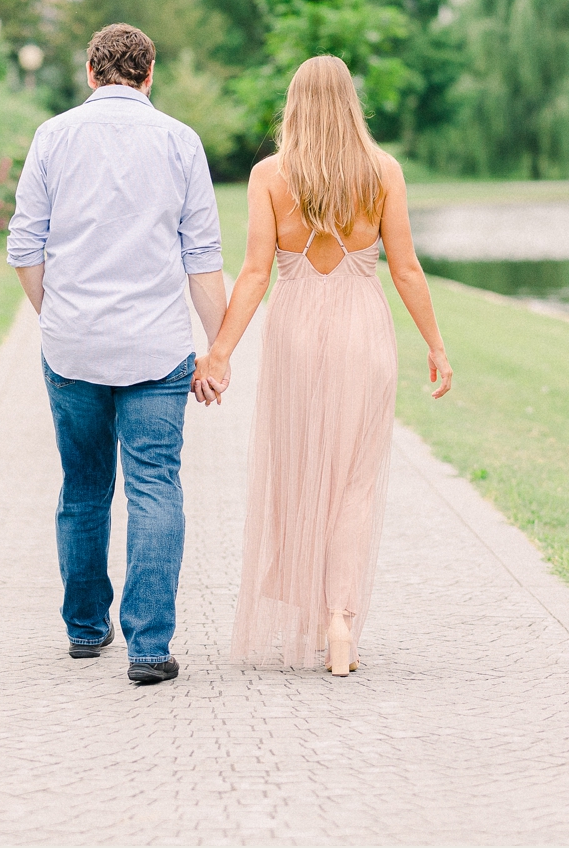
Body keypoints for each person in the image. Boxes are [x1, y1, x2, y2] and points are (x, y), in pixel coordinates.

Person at [192, 55, 453, 676]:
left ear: (295, 104)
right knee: (356, 481)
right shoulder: (382, 172)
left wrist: (220, 352)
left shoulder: (269, 175)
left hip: (296, 335)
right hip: (365, 332)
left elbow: (255, 271)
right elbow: (406, 268)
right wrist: (436, 346)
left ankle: (314, 611)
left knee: (301, 470)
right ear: (350, 102)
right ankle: (340, 619)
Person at [6, 24, 227, 686]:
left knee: (83, 485)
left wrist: (57, 317)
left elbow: (24, 247)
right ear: (150, 73)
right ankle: (150, 645)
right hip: (158, 347)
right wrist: (219, 350)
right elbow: (203, 259)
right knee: (155, 483)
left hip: (72, 344)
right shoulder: (181, 142)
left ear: (89, 71)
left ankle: (84, 627)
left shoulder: (53, 137)